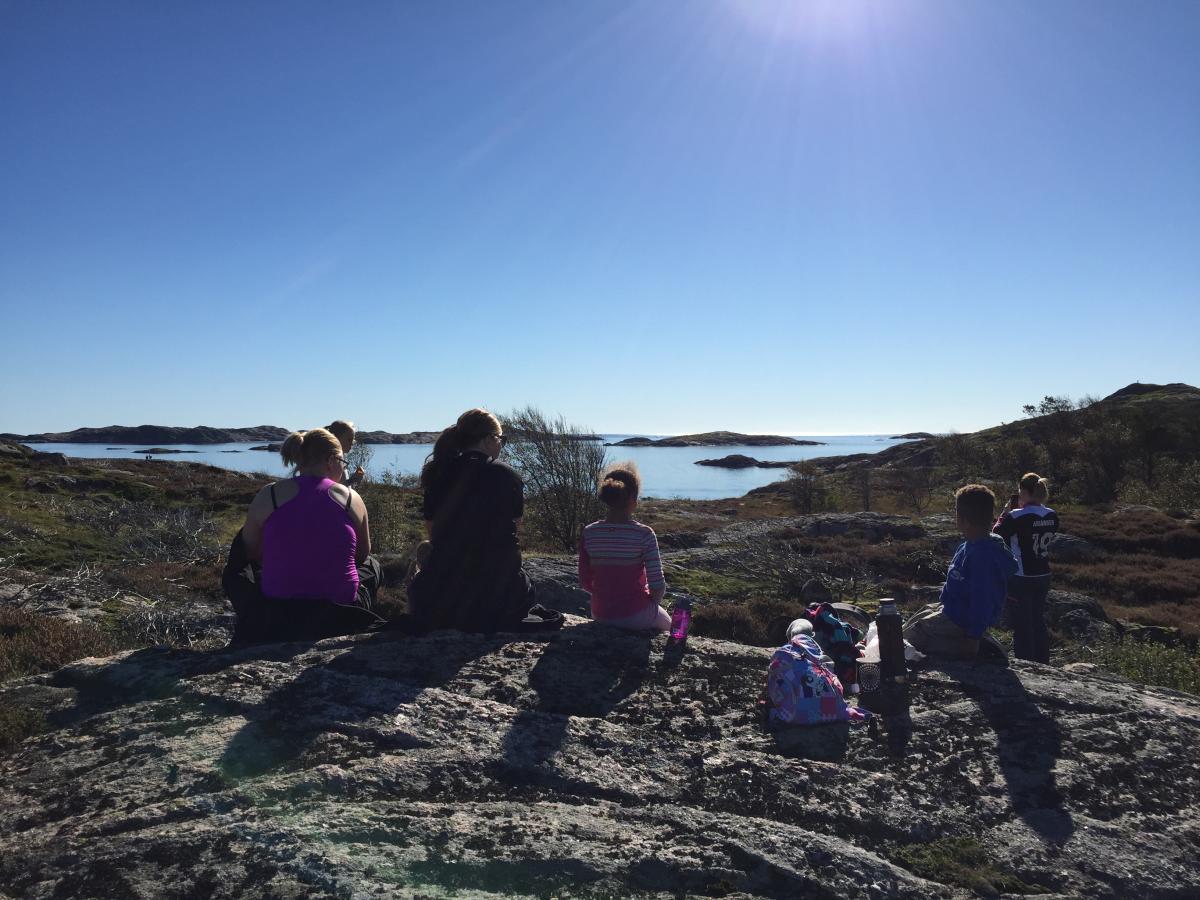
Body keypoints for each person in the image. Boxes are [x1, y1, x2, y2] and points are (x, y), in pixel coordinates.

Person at [224, 428, 381, 642]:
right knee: (374, 565)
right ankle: (359, 626)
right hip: (340, 611)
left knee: (236, 568)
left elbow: (250, 552)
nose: (343, 470)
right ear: (331, 461)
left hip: (277, 609)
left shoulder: (269, 495)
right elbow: (362, 555)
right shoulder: (351, 499)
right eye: (343, 463)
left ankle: (252, 626)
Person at [406, 408, 535, 632]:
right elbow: (514, 528)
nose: (501, 445)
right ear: (488, 439)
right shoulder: (507, 475)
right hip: (501, 592)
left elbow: (433, 532)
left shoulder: (438, 473)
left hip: (446, 590)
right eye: (500, 439)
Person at [903, 484, 1017, 659]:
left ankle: (974, 647)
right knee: (919, 618)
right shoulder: (973, 544)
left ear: (963, 519)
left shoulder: (982, 555)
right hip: (951, 610)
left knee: (909, 638)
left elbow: (982, 600)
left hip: (961, 620)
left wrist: (974, 635)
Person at [578, 463, 671, 632]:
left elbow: (585, 582)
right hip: (635, 614)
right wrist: (651, 604)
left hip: (600, 613)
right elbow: (657, 585)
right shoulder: (644, 534)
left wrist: (608, 595)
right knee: (671, 626)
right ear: (633, 500)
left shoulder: (589, 532)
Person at [993, 472, 1059, 663]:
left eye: (1019, 491)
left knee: (1022, 623)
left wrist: (1004, 514)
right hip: (1043, 573)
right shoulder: (1052, 515)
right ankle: (1043, 661)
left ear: (1024, 491)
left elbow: (996, 535)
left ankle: (1027, 665)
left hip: (1021, 576)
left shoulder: (1015, 516)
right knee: (1038, 619)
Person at [326, 419, 365, 487]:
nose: (352, 444)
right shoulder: (331, 461)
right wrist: (352, 480)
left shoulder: (339, 459)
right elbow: (332, 489)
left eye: (352, 440)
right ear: (336, 438)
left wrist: (354, 477)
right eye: (349, 440)